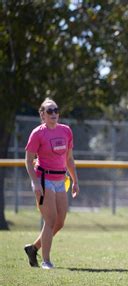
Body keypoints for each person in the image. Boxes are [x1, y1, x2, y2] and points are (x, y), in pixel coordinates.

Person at [24, 98, 80, 269]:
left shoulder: (66, 131)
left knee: (60, 222)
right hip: (43, 179)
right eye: (49, 111)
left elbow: (69, 159)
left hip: (60, 180)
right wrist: (36, 183)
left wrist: (75, 181)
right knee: (50, 219)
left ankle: (33, 248)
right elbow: (28, 161)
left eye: (56, 110)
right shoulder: (37, 133)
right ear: (42, 114)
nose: (54, 113)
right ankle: (46, 261)